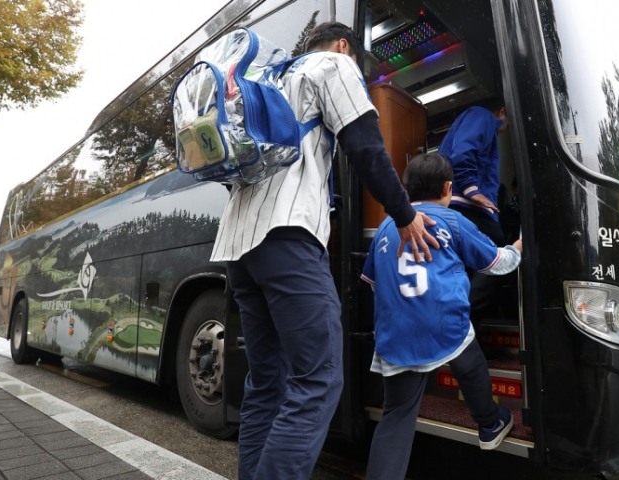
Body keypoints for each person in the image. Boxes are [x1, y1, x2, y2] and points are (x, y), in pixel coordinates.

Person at [209, 22, 439, 480]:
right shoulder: (333, 64)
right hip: (288, 235)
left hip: (238, 246)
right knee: (318, 377)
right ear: (343, 45)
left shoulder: (272, 79)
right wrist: (404, 214)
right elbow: (366, 147)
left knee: (266, 383)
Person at [361, 152, 523, 480]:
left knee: (397, 415)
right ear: (449, 188)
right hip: (442, 323)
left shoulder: (385, 228)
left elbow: (372, 281)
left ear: (406, 189)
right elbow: (495, 264)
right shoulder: (452, 220)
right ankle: (490, 423)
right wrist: (519, 246)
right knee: (469, 358)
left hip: (396, 332)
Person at [438, 100, 513, 329]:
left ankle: (461, 323)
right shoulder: (482, 116)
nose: (503, 131)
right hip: (467, 206)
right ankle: (460, 320)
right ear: (502, 111)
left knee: (468, 271)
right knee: (500, 256)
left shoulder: (475, 119)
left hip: (462, 205)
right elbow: (463, 151)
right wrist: (472, 189)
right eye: (506, 125)